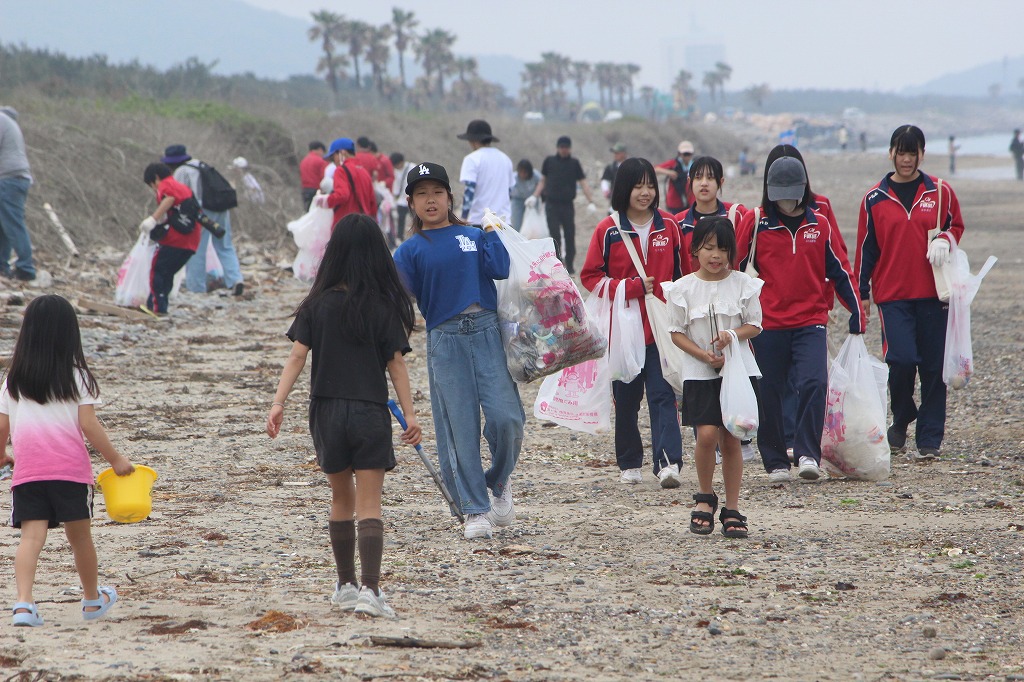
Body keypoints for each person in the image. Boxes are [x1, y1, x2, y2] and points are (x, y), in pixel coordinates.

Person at [266, 214, 419, 619]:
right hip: (369, 411)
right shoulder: (384, 306)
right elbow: (397, 367)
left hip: (326, 411)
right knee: (370, 501)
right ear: (376, 256)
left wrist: (278, 403)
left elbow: (297, 356)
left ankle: (345, 585)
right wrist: (410, 414)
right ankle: (371, 590)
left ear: (333, 255)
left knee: (340, 497)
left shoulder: (317, 304)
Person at [393, 162, 524, 541]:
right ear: (411, 203)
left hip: (487, 331)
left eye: (437, 192)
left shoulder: (472, 233)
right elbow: (399, 302)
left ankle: (498, 482)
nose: (430, 200)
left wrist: (491, 232)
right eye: (421, 194)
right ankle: (474, 509)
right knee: (457, 429)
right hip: (444, 339)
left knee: (508, 418)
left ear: (450, 197)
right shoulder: (408, 252)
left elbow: (499, 268)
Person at [0, 294, 136, 627]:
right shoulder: (78, 377)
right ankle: (91, 600)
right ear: (70, 334)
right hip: (70, 474)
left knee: (31, 539)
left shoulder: (12, 381)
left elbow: (2, 429)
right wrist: (116, 459)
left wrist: (3, 455)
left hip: (29, 474)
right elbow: (88, 424)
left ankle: (23, 605)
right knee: (80, 539)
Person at [736, 153, 864, 482]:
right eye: (779, 195)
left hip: (810, 321)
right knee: (770, 391)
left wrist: (856, 312)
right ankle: (776, 460)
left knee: (814, 382)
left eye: (792, 193)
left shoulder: (818, 224)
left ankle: (808, 453)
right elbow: (734, 270)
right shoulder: (756, 222)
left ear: (803, 190)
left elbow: (839, 271)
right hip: (768, 324)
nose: (786, 201)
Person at [855, 124, 965, 461]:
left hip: (935, 294)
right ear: (891, 153)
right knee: (900, 361)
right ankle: (903, 415)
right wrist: (861, 293)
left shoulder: (941, 191)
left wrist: (946, 239)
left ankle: (929, 439)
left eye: (912, 152)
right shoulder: (874, 198)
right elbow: (865, 249)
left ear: (921, 153)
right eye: (900, 152)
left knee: (933, 368)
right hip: (892, 295)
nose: (906, 159)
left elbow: (955, 225)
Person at [580, 157, 685, 488]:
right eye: (638, 185)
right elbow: (589, 276)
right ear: (624, 189)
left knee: (663, 394)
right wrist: (629, 288)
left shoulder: (668, 227)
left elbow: (682, 276)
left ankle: (668, 462)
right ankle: (629, 462)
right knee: (625, 398)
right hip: (623, 332)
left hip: (659, 330)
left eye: (650, 185)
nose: (646, 192)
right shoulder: (607, 229)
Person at [665, 217, 762, 538]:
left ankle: (732, 508)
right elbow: (676, 332)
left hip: (737, 371)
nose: (715, 255)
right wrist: (703, 354)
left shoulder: (743, 284)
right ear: (695, 250)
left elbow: (755, 325)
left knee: (732, 437)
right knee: (706, 434)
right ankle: (705, 497)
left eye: (722, 248)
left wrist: (730, 336)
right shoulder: (682, 288)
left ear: (733, 252)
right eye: (708, 248)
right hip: (699, 370)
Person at [673, 155, 756, 463]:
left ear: (721, 183)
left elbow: (745, 255)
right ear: (690, 183)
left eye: (711, 178)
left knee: (734, 379)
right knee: (703, 413)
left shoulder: (737, 216)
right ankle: (708, 453)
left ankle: (737, 434)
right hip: (694, 305)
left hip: (729, 304)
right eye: (698, 177)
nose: (704, 183)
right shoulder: (678, 222)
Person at [161, 144, 245, 297]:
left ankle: (196, 287)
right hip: (221, 207)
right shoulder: (199, 164)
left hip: (202, 211)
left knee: (197, 247)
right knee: (225, 245)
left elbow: (181, 195)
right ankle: (235, 280)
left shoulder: (182, 171)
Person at [138, 162, 203, 315]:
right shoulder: (184, 188)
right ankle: (159, 305)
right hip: (191, 242)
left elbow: (169, 199)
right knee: (167, 273)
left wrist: (153, 219)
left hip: (176, 239)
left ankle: (156, 308)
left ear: (156, 178)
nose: (154, 189)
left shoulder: (167, 185)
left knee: (157, 270)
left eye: (152, 185)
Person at [529, 135, 597, 274]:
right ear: (557, 148)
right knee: (554, 236)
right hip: (551, 204)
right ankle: (557, 263)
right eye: (561, 147)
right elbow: (543, 181)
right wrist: (534, 196)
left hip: (567, 205)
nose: (564, 150)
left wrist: (591, 201)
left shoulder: (574, 163)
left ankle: (570, 265)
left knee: (569, 234)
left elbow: (583, 182)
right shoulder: (549, 161)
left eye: (566, 148)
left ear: (570, 149)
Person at [0, 106, 35, 282]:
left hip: (8, 178)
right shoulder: (9, 121)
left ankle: (25, 267)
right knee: (4, 225)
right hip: (17, 177)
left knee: (13, 224)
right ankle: (2, 266)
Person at [456, 119, 515, 226]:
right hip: (504, 222)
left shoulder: (472, 159)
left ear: (473, 141)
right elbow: (510, 191)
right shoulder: (505, 159)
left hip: (480, 221)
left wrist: (464, 216)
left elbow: (470, 189)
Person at [314, 137, 378, 227]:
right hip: (364, 225)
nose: (333, 162)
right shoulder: (364, 171)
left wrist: (325, 200)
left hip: (345, 224)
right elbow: (372, 203)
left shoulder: (341, 170)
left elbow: (342, 195)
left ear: (342, 153)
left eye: (333, 158)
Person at [654, 140, 696, 213]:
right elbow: (655, 169)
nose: (687, 157)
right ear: (679, 154)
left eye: (689, 154)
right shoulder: (674, 163)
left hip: (691, 202)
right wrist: (669, 172)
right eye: (685, 154)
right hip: (675, 203)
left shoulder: (695, 164)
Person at [389, 152, 417, 243]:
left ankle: (417, 236)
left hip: (413, 200)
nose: (396, 167)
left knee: (416, 219)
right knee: (400, 220)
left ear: (401, 162)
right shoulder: (395, 171)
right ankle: (400, 238)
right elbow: (396, 184)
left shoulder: (412, 167)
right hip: (401, 200)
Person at [509, 159, 540, 231]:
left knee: (534, 219)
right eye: (521, 172)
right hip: (518, 199)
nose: (523, 175)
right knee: (516, 221)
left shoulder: (535, 175)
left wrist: (535, 196)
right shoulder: (514, 177)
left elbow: (541, 183)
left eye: (525, 172)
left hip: (531, 199)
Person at [300, 141, 328, 211]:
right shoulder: (321, 161)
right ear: (320, 149)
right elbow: (324, 178)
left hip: (305, 190)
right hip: (316, 190)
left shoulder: (303, 161)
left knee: (307, 212)